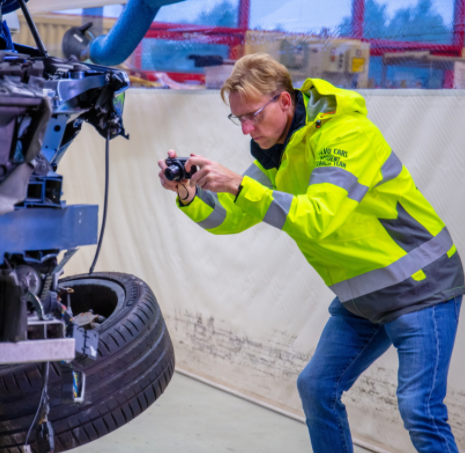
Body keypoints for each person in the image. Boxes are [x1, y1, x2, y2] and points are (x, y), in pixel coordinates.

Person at [157, 53, 463, 453]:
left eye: (252, 115)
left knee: (419, 409)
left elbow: (320, 217)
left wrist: (239, 185)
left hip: (421, 287)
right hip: (364, 297)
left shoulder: (345, 134)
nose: (246, 129)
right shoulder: (279, 153)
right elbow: (231, 217)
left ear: (285, 101)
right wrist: (189, 194)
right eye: (238, 119)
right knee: (317, 388)